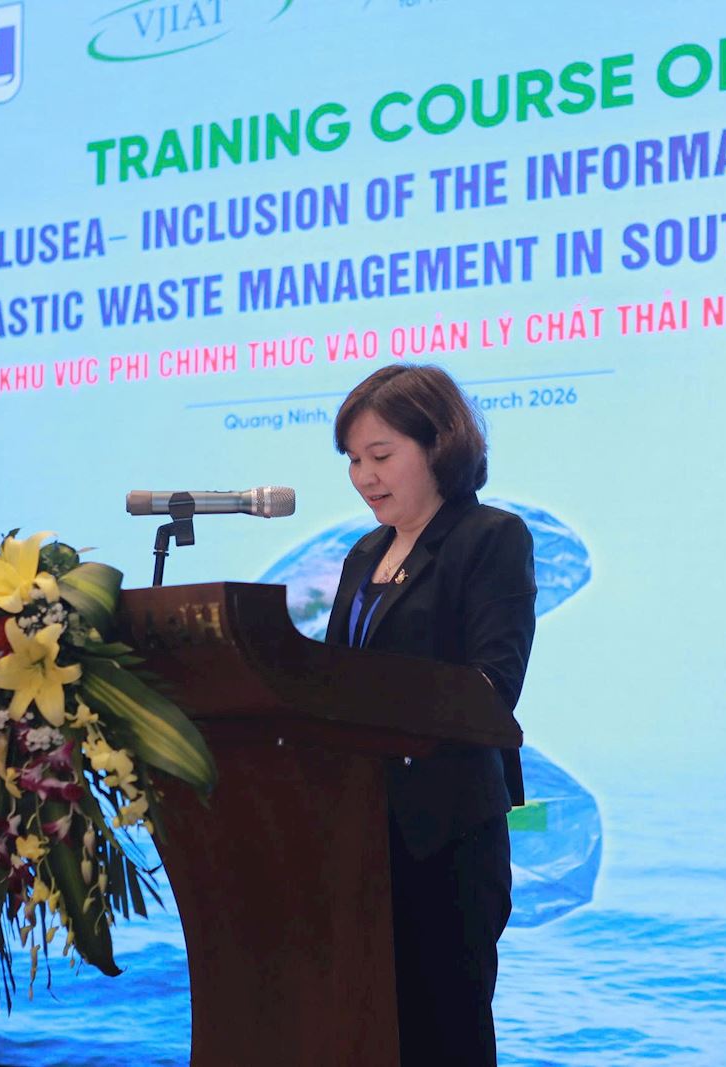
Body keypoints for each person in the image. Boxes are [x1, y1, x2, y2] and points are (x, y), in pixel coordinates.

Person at [324, 363, 537, 1065]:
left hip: (446, 832)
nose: (364, 476)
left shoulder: (489, 537)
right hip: (359, 832)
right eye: (353, 460)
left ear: (438, 444)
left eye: (380, 455)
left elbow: (492, 684)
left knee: (445, 1035)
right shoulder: (363, 554)